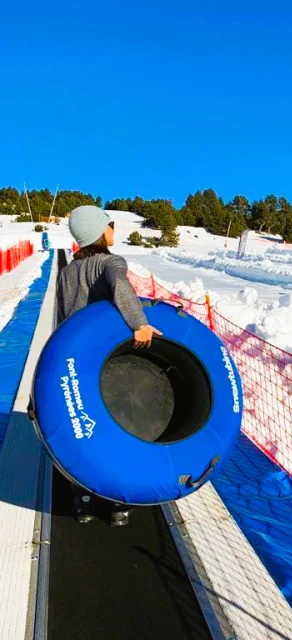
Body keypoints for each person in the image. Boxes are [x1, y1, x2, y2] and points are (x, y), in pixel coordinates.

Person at [57, 205, 162, 526]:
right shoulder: (111, 261)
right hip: (108, 359)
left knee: (83, 429)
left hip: (74, 358)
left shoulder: (67, 272)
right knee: (119, 422)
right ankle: (118, 502)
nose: (114, 230)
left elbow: (62, 318)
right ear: (101, 232)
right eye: (111, 225)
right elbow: (121, 287)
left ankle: (83, 499)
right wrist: (139, 323)